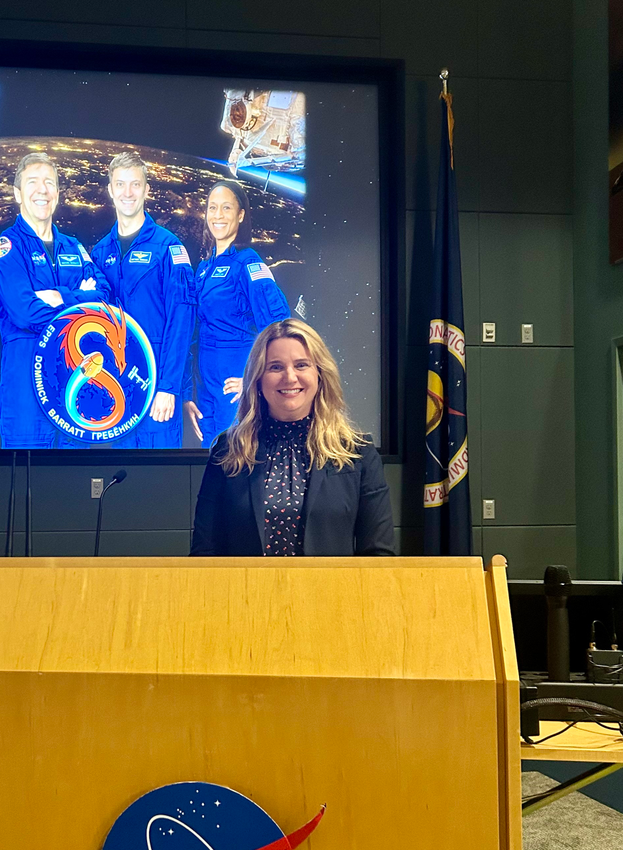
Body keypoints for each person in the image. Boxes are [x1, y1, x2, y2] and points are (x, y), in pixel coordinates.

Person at [190, 319, 395, 556]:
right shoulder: (228, 450)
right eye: (275, 367)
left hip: (331, 593)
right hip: (247, 593)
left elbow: (378, 556)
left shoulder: (358, 453)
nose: (290, 377)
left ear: (320, 375)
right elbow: (204, 553)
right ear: (257, 378)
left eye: (301, 365)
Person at [0, 151, 107, 448]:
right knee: (28, 485)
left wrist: (60, 296)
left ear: (57, 193)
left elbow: (104, 298)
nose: (42, 190)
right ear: (17, 193)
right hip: (26, 390)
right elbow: (25, 313)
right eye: (32, 182)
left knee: (75, 486)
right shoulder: (7, 248)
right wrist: (82, 304)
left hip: (74, 381)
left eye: (49, 183)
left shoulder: (73, 246)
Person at [91, 151, 196, 447]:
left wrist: (168, 387)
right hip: (115, 384)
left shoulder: (168, 248)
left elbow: (182, 323)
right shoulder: (100, 253)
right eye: (120, 184)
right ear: (110, 190)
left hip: (155, 384)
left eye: (135, 184)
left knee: (157, 480)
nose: (127, 193)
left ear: (146, 190)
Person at [184, 180, 291, 447]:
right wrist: (190, 392)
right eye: (212, 208)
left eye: (227, 208)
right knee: (214, 465)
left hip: (235, 387)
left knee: (238, 465)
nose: (218, 215)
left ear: (240, 215)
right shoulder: (205, 268)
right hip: (206, 388)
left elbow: (280, 326)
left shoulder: (248, 262)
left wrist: (253, 379)